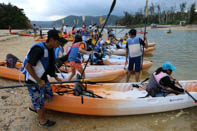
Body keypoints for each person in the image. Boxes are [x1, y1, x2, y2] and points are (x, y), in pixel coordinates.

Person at [21, 30, 66, 127]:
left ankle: (33, 107)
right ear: (52, 40)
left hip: (42, 77)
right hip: (32, 79)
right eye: (58, 42)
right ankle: (42, 121)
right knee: (39, 99)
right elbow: (28, 66)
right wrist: (38, 80)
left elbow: (50, 65)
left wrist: (55, 76)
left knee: (48, 93)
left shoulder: (50, 49)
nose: (59, 45)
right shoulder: (39, 49)